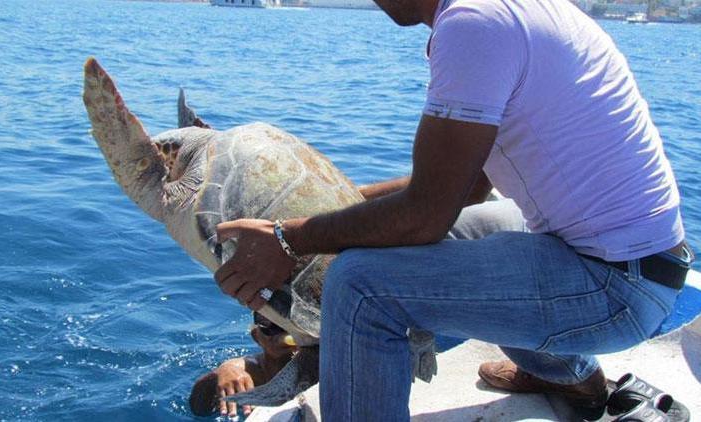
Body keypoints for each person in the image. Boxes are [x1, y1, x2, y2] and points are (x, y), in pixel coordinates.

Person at [211, 0, 695, 419]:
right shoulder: (503, 12)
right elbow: (468, 187)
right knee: (448, 237)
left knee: (360, 285)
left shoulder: (473, 26)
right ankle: (576, 381)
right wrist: (330, 205)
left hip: (615, 287)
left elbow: (425, 215)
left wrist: (286, 238)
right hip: (634, 259)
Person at [189, 313, 296, 418]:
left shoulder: (312, 365)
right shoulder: (243, 371)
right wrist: (218, 375)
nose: (282, 333)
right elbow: (198, 411)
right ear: (256, 337)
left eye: (293, 325)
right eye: (267, 324)